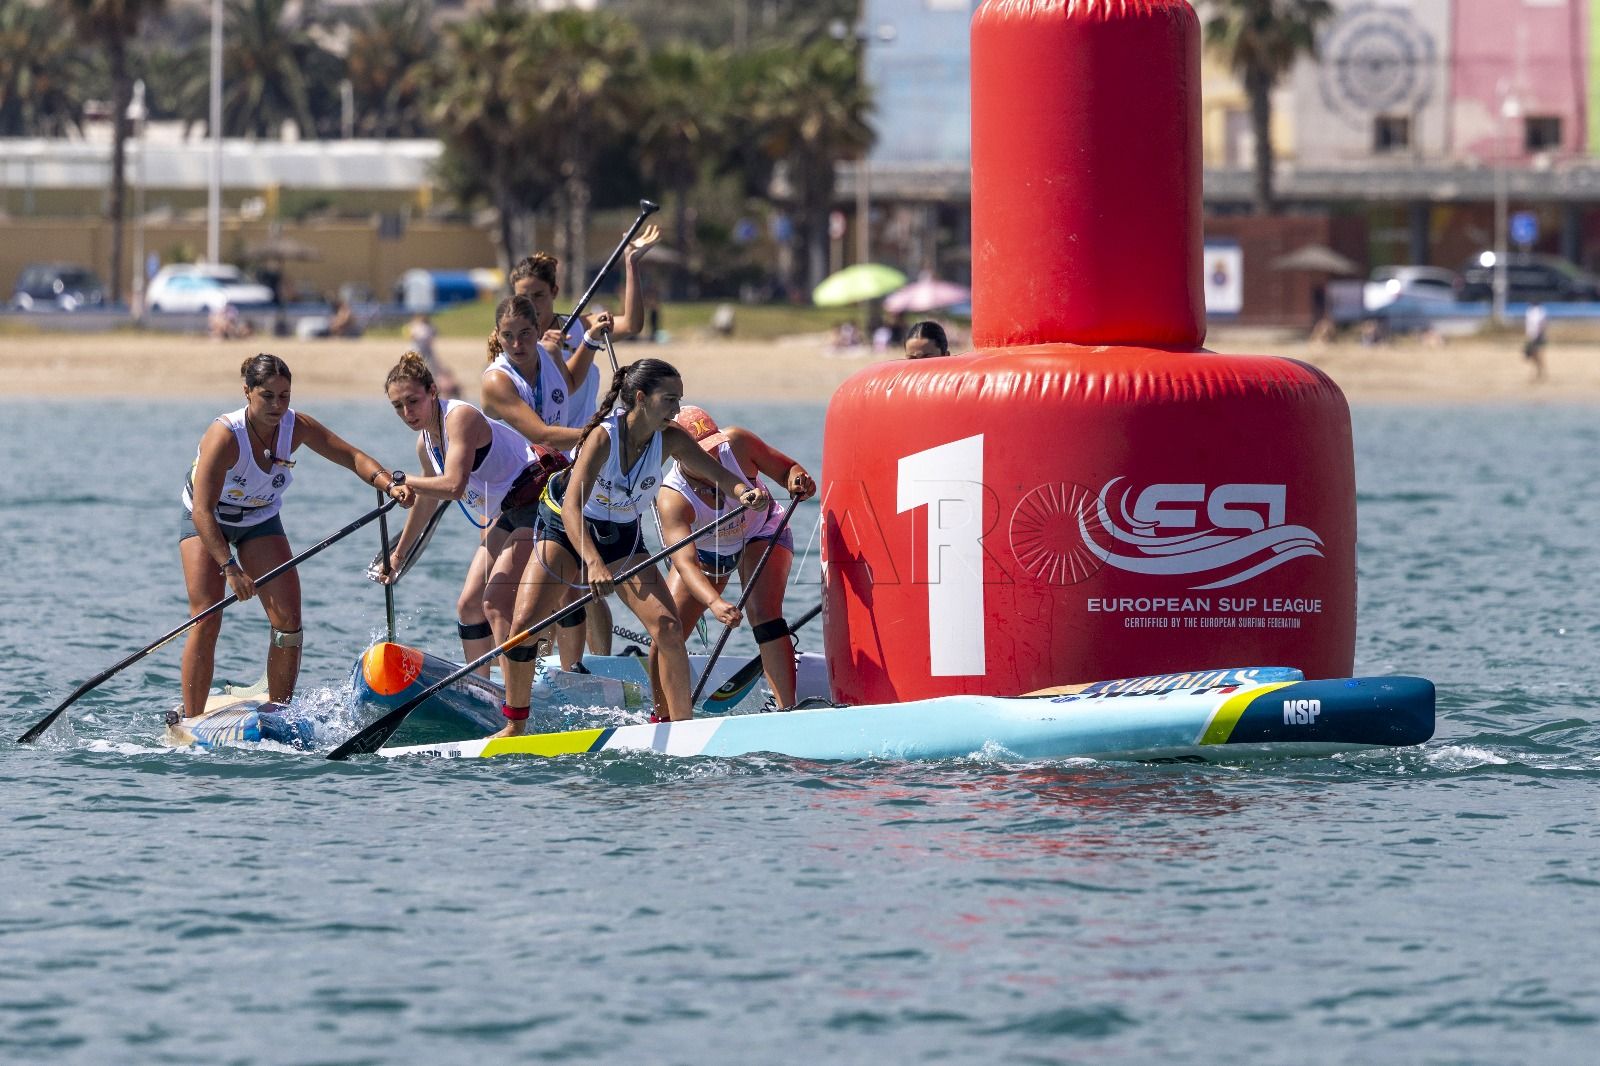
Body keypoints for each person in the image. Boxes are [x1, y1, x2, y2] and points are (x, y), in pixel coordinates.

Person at [493, 359, 769, 736]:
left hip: (622, 536)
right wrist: (593, 563)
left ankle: (677, 726)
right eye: (669, 399)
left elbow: (720, 475)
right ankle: (515, 726)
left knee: (668, 626)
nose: (677, 409)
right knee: (524, 627)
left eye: (679, 399)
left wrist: (745, 492)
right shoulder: (602, 438)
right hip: (566, 527)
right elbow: (572, 507)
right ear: (641, 398)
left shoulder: (671, 438)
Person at [176, 353, 414, 725]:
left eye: (284, 396)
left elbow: (351, 456)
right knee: (207, 617)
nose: (277, 406)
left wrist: (388, 484)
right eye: (267, 396)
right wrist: (230, 568)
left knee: (288, 620)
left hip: (259, 519)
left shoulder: (295, 426)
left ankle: (279, 713)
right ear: (247, 392)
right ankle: (192, 720)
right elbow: (202, 512)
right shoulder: (225, 436)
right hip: (208, 521)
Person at [507, 227, 658, 662]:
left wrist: (631, 264)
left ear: (554, 293)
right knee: (545, 579)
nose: (531, 305)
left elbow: (632, 324)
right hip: (542, 464)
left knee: (586, 582)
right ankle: (546, 661)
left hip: (588, 455)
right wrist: (547, 353)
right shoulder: (520, 344)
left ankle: (601, 664)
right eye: (522, 297)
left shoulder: (579, 328)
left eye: (538, 296)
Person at [378, 351, 567, 674]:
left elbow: (453, 486)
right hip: (509, 511)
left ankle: (516, 689)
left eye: (413, 401)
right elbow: (427, 501)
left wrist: (401, 479)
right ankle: (482, 688)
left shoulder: (459, 418)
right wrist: (398, 555)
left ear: (433, 391)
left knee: (495, 602)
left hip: (539, 502)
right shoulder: (426, 442)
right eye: (398, 406)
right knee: (469, 605)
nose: (407, 412)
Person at [652, 406, 814, 711]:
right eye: (701, 452)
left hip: (762, 530)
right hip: (709, 552)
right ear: (677, 452)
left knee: (764, 615)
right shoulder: (674, 498)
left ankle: (787, 710)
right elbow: (686, 565)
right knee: (666, 631)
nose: (713, 456)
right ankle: (662, 717)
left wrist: (799, 482)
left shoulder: (737, 443)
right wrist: (714, 603)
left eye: (714, 446)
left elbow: (789, 470)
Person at [407, 312, 459, 399]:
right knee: (416, 368)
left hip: (427, 350)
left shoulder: (428, 327)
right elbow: (412, 336)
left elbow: (435, 334)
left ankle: (433, 386)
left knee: (433, 368)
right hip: (418, 350)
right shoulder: (415, 326)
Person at [1524, 300, 1548, 383]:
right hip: (1534, 335)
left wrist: (1538, 334)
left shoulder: (1539, 311)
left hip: (1537, 335)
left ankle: (1539, 373)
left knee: (1538, 354)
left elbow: (1542, 324)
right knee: (1535, 355)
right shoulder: (1532, 312)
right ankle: (1539, 372)